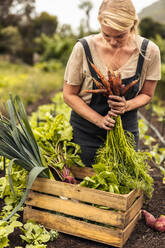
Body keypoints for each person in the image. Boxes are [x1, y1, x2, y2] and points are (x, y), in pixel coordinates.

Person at [63, 0, 161, 167]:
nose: (113, 42)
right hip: (85, 133)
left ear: (132, 25)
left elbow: (147, 94)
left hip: (126, 131)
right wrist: (99, 120)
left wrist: (127, 105)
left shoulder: (149, 51)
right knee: (84, 185)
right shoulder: (83, 48)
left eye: (120, 36)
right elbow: (68, 94)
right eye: (106, 34)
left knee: (125, 182)